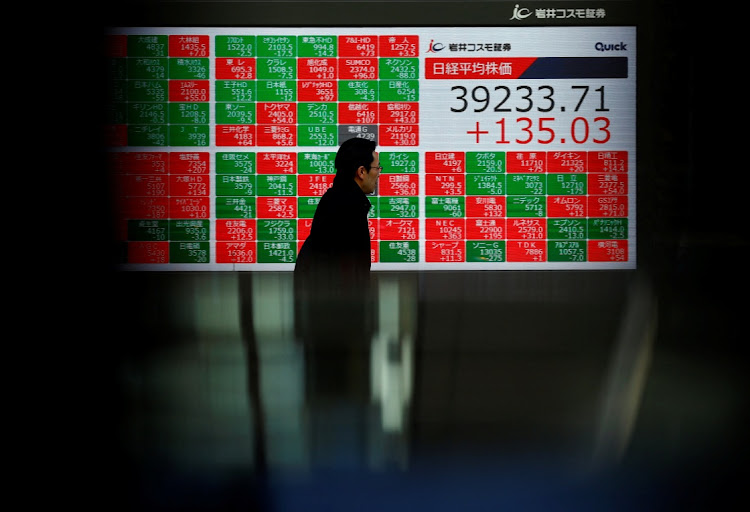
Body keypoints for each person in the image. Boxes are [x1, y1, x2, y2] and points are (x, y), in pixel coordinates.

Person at [293, 136, 381, 341]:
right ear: (361, 172)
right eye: (377, 168)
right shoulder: (347, 208)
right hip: (336, 328)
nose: (378, 175)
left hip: (326, 322)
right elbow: (347, 275)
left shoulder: (337, 200)